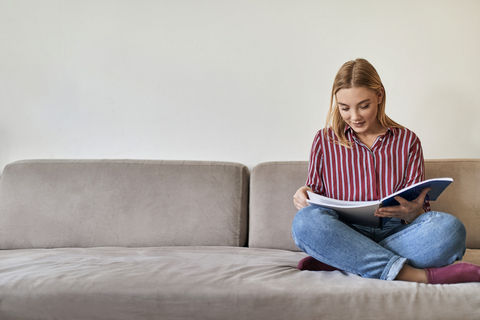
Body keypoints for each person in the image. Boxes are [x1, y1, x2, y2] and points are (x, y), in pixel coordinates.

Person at [292, 58, 480, 284]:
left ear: (379, 96)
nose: (355, 116)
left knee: (451, 230)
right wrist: (303, 192)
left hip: (396, 231)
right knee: (304, 222)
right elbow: (314, 192)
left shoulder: (407, 140)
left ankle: (341, 259)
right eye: (345, 108)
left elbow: (419, 206)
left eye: (363, 105)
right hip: (344, 231)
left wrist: (413, 212)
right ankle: (415, 275)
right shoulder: (324, 139)